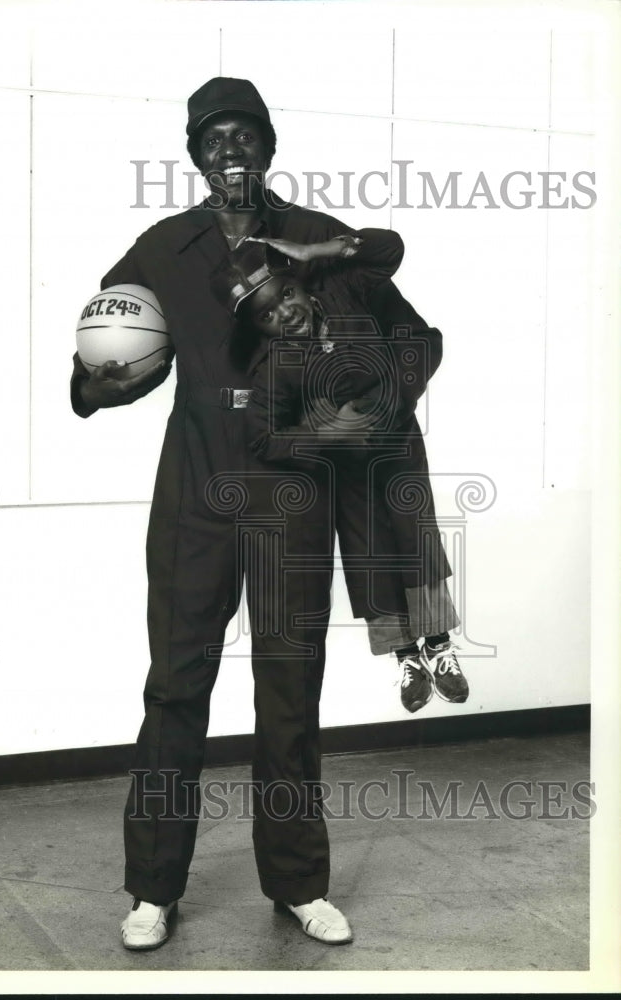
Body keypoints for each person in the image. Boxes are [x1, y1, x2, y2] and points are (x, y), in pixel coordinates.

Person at [70, 76, 406, 951]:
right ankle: (152, 889)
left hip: (291, 490)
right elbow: (106, 350)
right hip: (195, 491)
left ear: (266, 147)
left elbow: (388, 273)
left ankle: (297, 884)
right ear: (193, 155)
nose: (230, 152)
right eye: (213, 139)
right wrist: (93, 387)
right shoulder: (164, 246)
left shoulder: (310, 236)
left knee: (290, 691)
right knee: (176, 686)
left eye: (244, 136)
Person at [210, 238, 468, 715]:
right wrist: (325, 432)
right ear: (257, 328)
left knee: (415, 536)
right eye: (267, 316)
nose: (285, 315)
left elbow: (389, 251)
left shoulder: (346, 291)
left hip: (397, 440)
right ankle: (405, 654)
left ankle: (439, 643)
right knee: (368, 549)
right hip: (346, 462)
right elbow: (263, 437)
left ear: (299, 283)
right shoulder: (274, 365)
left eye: (286, 295)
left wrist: (319, 248)